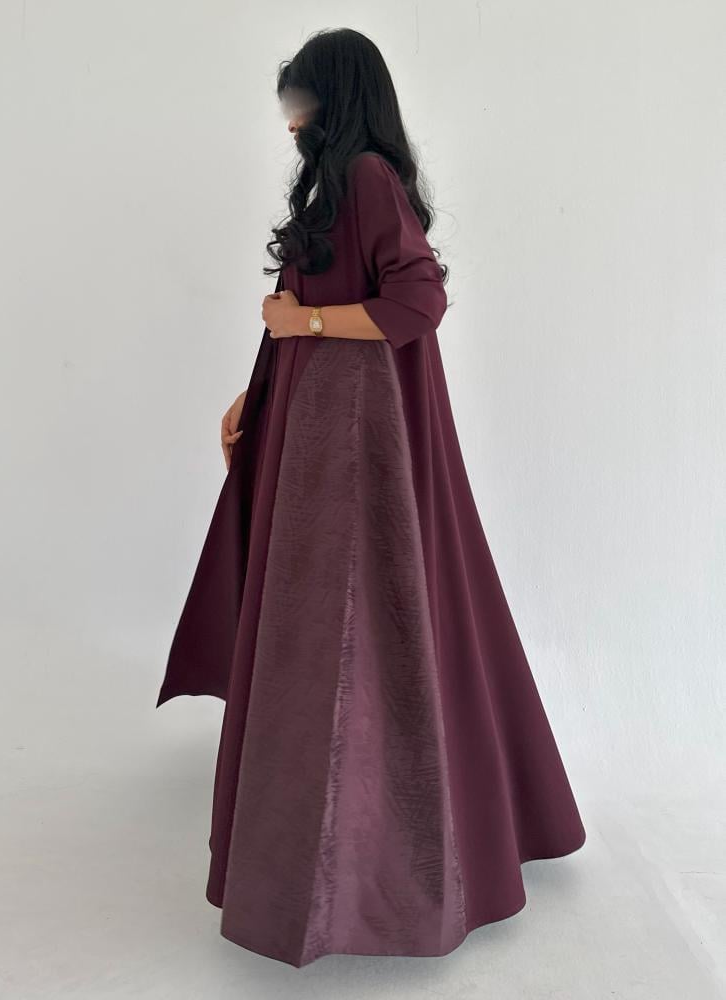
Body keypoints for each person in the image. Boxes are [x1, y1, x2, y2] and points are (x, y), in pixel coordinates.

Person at [156, 27, 586, 968]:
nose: (290, 121)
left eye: (300, 101)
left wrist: (303, 324)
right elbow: (293, 312)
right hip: (313, 424)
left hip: (353, 441)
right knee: (326, 623)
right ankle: (327, 850)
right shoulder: (330, 183)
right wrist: (256, 393)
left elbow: (416, 302)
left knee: (346, 629)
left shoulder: (365, 177)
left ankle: (364, 865)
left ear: (338, 97)